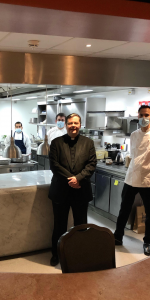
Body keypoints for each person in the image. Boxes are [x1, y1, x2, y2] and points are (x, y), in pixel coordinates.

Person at [114, 105, 150, 256]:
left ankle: (148, 242)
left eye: (146, 115)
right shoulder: (134, 135)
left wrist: (149, 166)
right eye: (141, 115)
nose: (143, 118)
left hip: (149, 178)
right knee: (124, 208)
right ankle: (117, 237)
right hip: (132, 176)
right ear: (137, 116)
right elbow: (132, 155)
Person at [49, 113, 97, 266]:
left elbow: (91, 164)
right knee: (59, 226)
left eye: (76, 123)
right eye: (70, 123)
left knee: (81, 226)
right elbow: (54, 165)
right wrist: (72, 179)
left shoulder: (88, 143)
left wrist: (79, 179)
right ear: (66, 124)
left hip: (81, 191)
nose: (73, 126)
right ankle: (56, 254)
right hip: (60, 191)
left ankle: (80, 253)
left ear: (80, 124)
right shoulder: (56, 143)